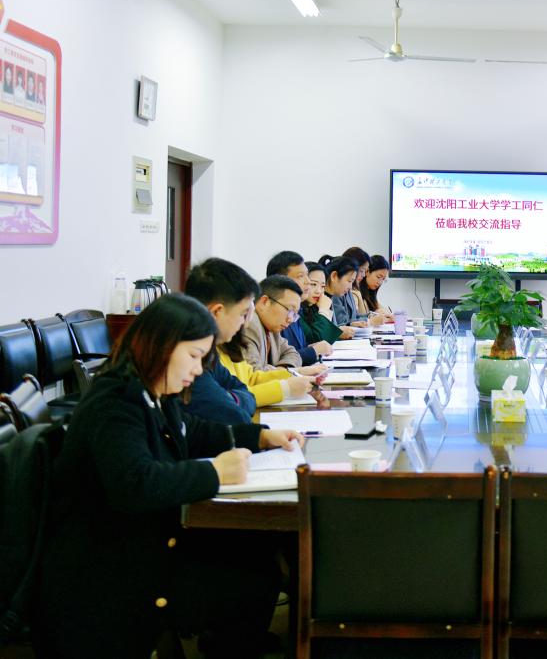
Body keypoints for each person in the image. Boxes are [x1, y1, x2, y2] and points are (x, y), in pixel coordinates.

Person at [32, 294, 303, 658]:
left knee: (255, 555)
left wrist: (258, 437)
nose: (198, 370)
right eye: (193, 356)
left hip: (141, 540)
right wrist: (214, 472)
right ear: (160, 346)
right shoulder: (116, 401)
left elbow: (189, 430)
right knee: (254, 581)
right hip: (112, 569)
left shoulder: (154, 389)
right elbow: (135, 484)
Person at [182, 257, 260, 424]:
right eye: (242, 314)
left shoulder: (208, 352)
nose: (243, 323)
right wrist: (229, 399)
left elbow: (247, 394)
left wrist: (227, 397)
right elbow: (238, 418)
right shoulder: (189, 359)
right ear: (216, 312)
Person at [241, 275, 327, 375]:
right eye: (289, 310)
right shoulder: (249, 325)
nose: (290, 320)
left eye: (294, 314)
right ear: (265, 302)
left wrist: (281, 370)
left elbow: (293, 354)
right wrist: (293, 372)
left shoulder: (272, 327)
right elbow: (254, 373)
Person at [266, 251, 332, 365]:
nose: (308, 281)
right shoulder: (275, 313)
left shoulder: (296, 309)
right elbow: (279, 360)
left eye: (307, 275)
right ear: (280, 280)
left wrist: (309, 347)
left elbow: (293, 350)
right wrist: (313, 351)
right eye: (301, 276)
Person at [300, 261, 343, 344]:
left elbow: (327, 340)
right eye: (313, 284)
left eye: (323, 286)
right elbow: (318, 342)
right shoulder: (297, 311)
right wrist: (323, 310)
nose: (318, 291)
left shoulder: (313, 307)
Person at [322, 255, 362, 334]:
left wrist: (349, 324)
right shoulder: (320, 299)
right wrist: (338, 333)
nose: (350, 287)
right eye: (349, 281)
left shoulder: (330, 296)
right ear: (334, 276)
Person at [357, 254, 394, 325]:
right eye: (378, 277)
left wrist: (387, 315)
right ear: (367, 272)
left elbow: (383, 311)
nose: (380, 282)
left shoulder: (371, 292)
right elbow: (356, 320)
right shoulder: (356, 292)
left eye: (383, 279)